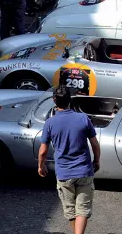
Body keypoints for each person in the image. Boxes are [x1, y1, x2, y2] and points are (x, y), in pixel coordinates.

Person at [38, 87, 100, 234]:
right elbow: (95, 145)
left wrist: (41, 166)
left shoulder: (50, 123)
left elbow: (43, 151)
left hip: (64, 173)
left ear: (54, 101)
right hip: (84, 171)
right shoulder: (83, 118)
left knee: (71, 212)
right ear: (70, 100)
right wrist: (96, 161)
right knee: (83, 210)